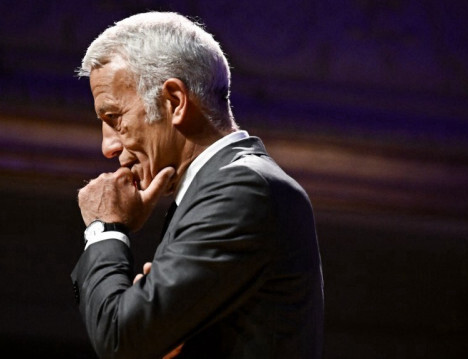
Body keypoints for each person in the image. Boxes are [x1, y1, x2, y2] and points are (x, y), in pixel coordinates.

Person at [71, 11, 324, 359]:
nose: (108, 147)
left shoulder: (240, 187)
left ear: (174, 101)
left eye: (114, 118)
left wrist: (105, 229)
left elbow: (121, 337)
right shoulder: (223, 187)